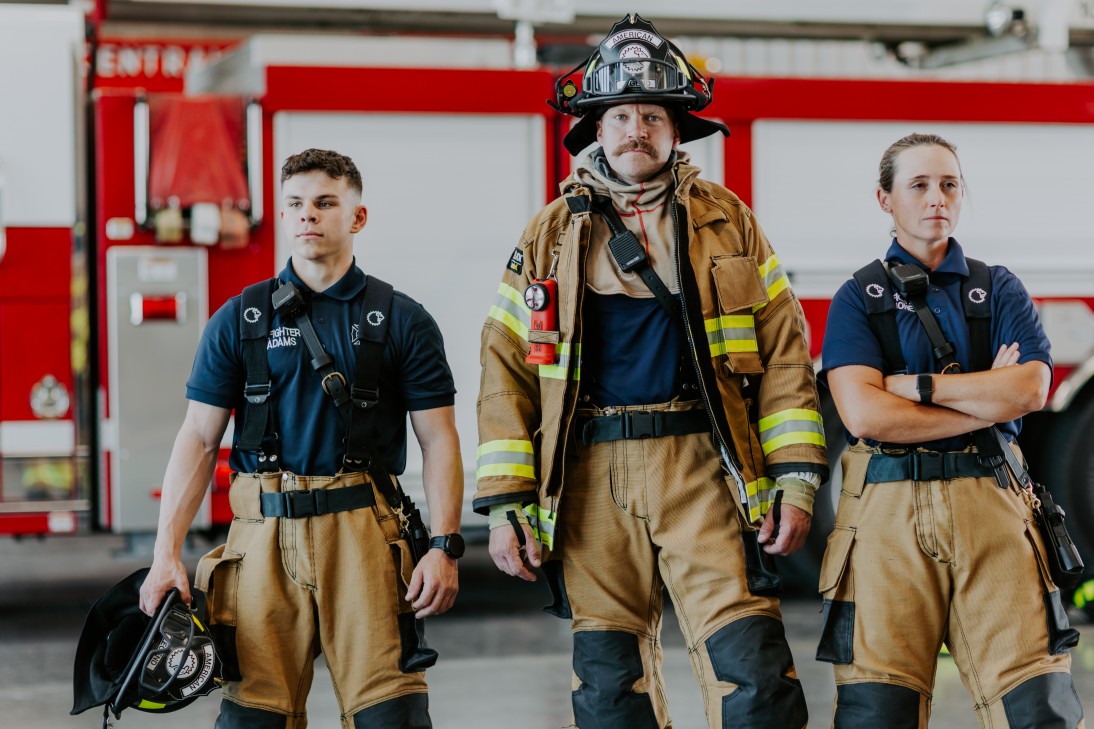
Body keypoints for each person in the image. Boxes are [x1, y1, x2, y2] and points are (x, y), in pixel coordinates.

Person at [475, 14, 828, 729]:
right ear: (596, 129)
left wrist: (795, 475)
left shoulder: (728, 220)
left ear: (677, 129)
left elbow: (786, 350)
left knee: (755, 675)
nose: (636, 128)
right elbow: (506, 366)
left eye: (652, 115)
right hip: (589, 482)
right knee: (610, 691)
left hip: (700, 465)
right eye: (622, 115)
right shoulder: (549, 233)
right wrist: (508, 501)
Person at [138, 148, 464, 729]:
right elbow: (197, 437)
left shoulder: (402, 319)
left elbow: (439, 439)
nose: (307, 215)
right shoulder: (240, 319)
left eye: (324, 203)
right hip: (261, 539)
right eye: (295, 204)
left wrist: (443, 546)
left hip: (363, 537)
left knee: (391, 715)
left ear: (357, 218)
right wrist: (165, 554)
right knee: (254, 718)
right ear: (283, 217)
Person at [817, 132, 1084, 728]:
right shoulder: (859, 298)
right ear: (884, 200)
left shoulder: (999, 287)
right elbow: (864, 416)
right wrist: (985, 398)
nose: (937, 197)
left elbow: (1030, 391)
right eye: (918, 185)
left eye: (949, 185)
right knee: (876, 711)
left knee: (1039, 707)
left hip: (993, 509)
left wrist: (920, 386)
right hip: (886, 519)